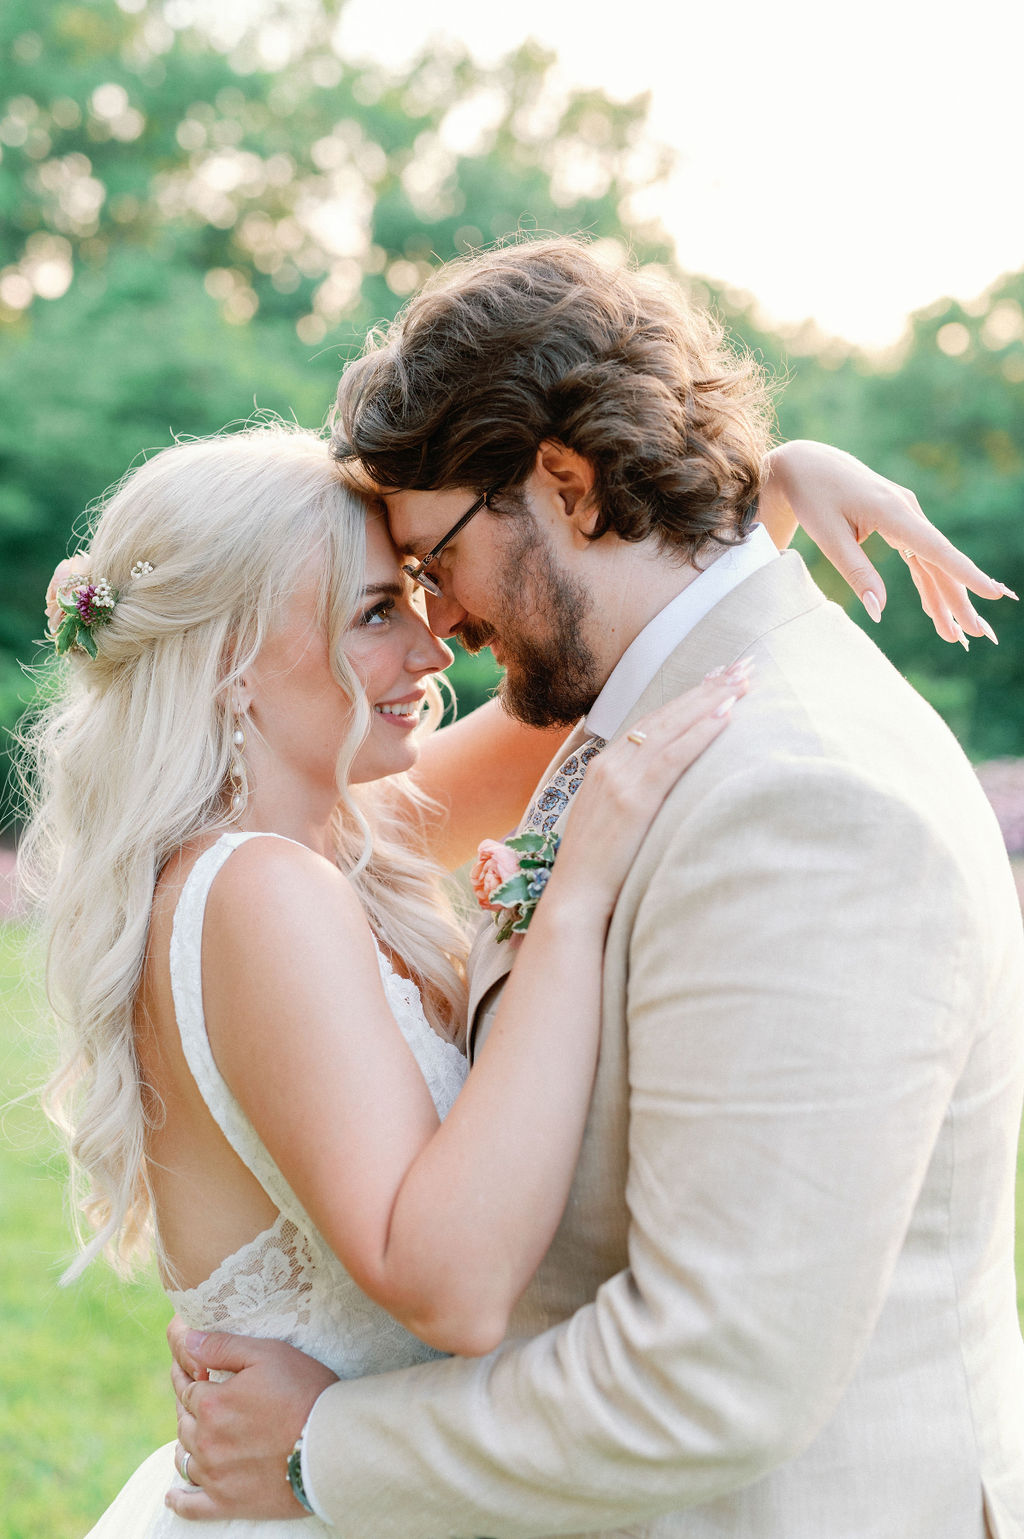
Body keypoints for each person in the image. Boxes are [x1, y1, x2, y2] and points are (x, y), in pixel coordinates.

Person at [168, 239, 1024, 1539]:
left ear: (563, 482)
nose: (438, 626)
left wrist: (318, 1447)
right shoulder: (657, 706)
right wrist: (765, 491)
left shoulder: (802, 800)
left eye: (434, 558)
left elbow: (711, 1371)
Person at [22, 418, 760, 1538]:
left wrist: (774, 497)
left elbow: (593, 693)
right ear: (229, 663)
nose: (430, 647)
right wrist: (571, 909)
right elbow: (456, 1292)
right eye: (373, 613)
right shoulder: (260, 891)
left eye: (414, 594)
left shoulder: (331, 845)